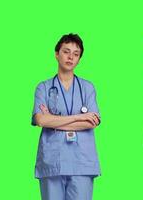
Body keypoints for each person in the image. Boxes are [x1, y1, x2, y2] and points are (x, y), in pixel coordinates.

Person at [32, 33, 101, 200]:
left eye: (76, 54)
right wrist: (78, 118)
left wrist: (53, 121)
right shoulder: (43, 87)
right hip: (53, 161)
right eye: (66, 51)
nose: (71, 57)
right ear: (57, 54)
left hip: (82, 163)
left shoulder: (87, 87)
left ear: (79, 59)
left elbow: (93, 122)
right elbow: (40, 120)